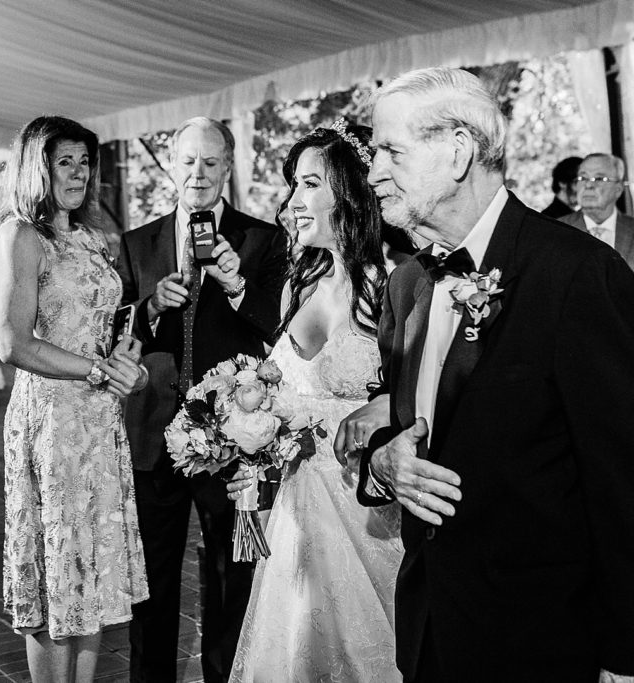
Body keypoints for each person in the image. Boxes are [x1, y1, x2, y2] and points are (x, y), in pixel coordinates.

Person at [349, 67, 634, 682]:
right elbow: (406, 428)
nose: (372, 172)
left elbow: (623, 481)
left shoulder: (577, 275)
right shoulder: (406, 285)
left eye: (390, 150)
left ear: (458, 152)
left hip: (544, 642)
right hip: (431, 634)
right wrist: (381, 462)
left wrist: (624, 655)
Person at [226, 122, 408, 682]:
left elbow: (422, 396)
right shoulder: (297, 286)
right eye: (292, 186)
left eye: (308, 184)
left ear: (349, 194)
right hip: (298, 507)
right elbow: (279, 398)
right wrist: (250, 450)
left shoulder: (396, 282)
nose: (292, 202)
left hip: (368, 504)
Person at [116, 116, 288, 683]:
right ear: (170, 165)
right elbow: (117, 335)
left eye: (211, 162)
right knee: (152, 580)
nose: (199, 172)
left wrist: (238, 285)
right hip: (153, 434)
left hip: (235, 435)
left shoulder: (263, 240)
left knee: (229, 574)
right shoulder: (137, 242)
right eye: (188, 161)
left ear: (228, 166)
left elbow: (281, 329)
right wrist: (152, 308)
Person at [0, 115, 149, 683]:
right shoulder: (20, 235)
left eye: (86, 161)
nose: (80, 172)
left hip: (100, 420)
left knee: (93, 574)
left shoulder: (87, 235)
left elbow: (96, 326)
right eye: (65, 162)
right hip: (52, 420)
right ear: (38, 167)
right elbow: (12, 342)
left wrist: (124, 358)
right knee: (56, 574)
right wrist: (99, 371)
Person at [557, 153, 634, 269]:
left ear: (618, 189)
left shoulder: (631, 229)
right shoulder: (558, 230)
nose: (588, 185)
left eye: (599, 178)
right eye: (582, 178)